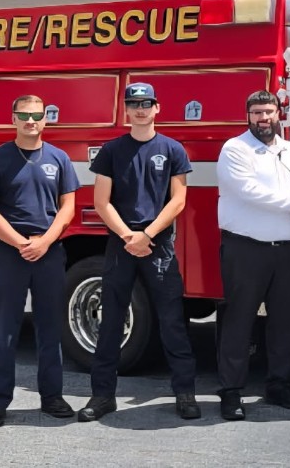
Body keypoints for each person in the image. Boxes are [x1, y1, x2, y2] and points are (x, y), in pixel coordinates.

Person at [78, 82, 200, 422]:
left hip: (158, 245)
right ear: (126, 110)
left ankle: (185, 393)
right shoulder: (111, 151)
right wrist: (128, 236)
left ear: (157, 108)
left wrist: (146, 234)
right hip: (121, 245)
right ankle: (102, 397)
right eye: (134, 104)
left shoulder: (173, 149)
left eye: (146, 103)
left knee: (173, 322)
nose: (141, 109)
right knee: (111, 323)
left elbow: (178, 200)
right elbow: (100, 202)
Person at [0, 95, 80, 427]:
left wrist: (44, 242)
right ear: (13, 119)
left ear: (46, 119)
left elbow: (68, 208)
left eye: (37, 115)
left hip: (49, 253)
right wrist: (21, 243)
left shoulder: (59, 159)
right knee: (4, 330)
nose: (31, 120)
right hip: (9, 254)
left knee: (50, 328)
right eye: (24, 115)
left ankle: (52, 397)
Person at [215, 89, 290, 421]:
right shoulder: (235, 149)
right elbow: (248, 190)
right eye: (257, 112)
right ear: (248, 116)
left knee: (286, 323)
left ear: (279, 114)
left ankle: (279, 385)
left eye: (269, 112)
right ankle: (231, 392)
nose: (263, 118)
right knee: (238, 322)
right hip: (246, 250)